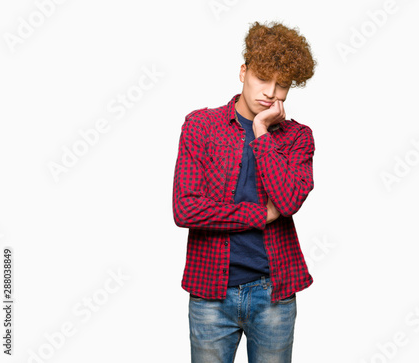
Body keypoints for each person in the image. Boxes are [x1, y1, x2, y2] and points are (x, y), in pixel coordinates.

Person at [172, 20, 317, 363]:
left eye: (281, 85)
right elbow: (186, 210)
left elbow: (288, 202)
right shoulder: (200, 126)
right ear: (243, 72)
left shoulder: (298, 138)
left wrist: (262, 132)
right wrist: (260, 214)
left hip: (274, 293)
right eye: (262, 78)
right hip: (210, 292)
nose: (270, 91)